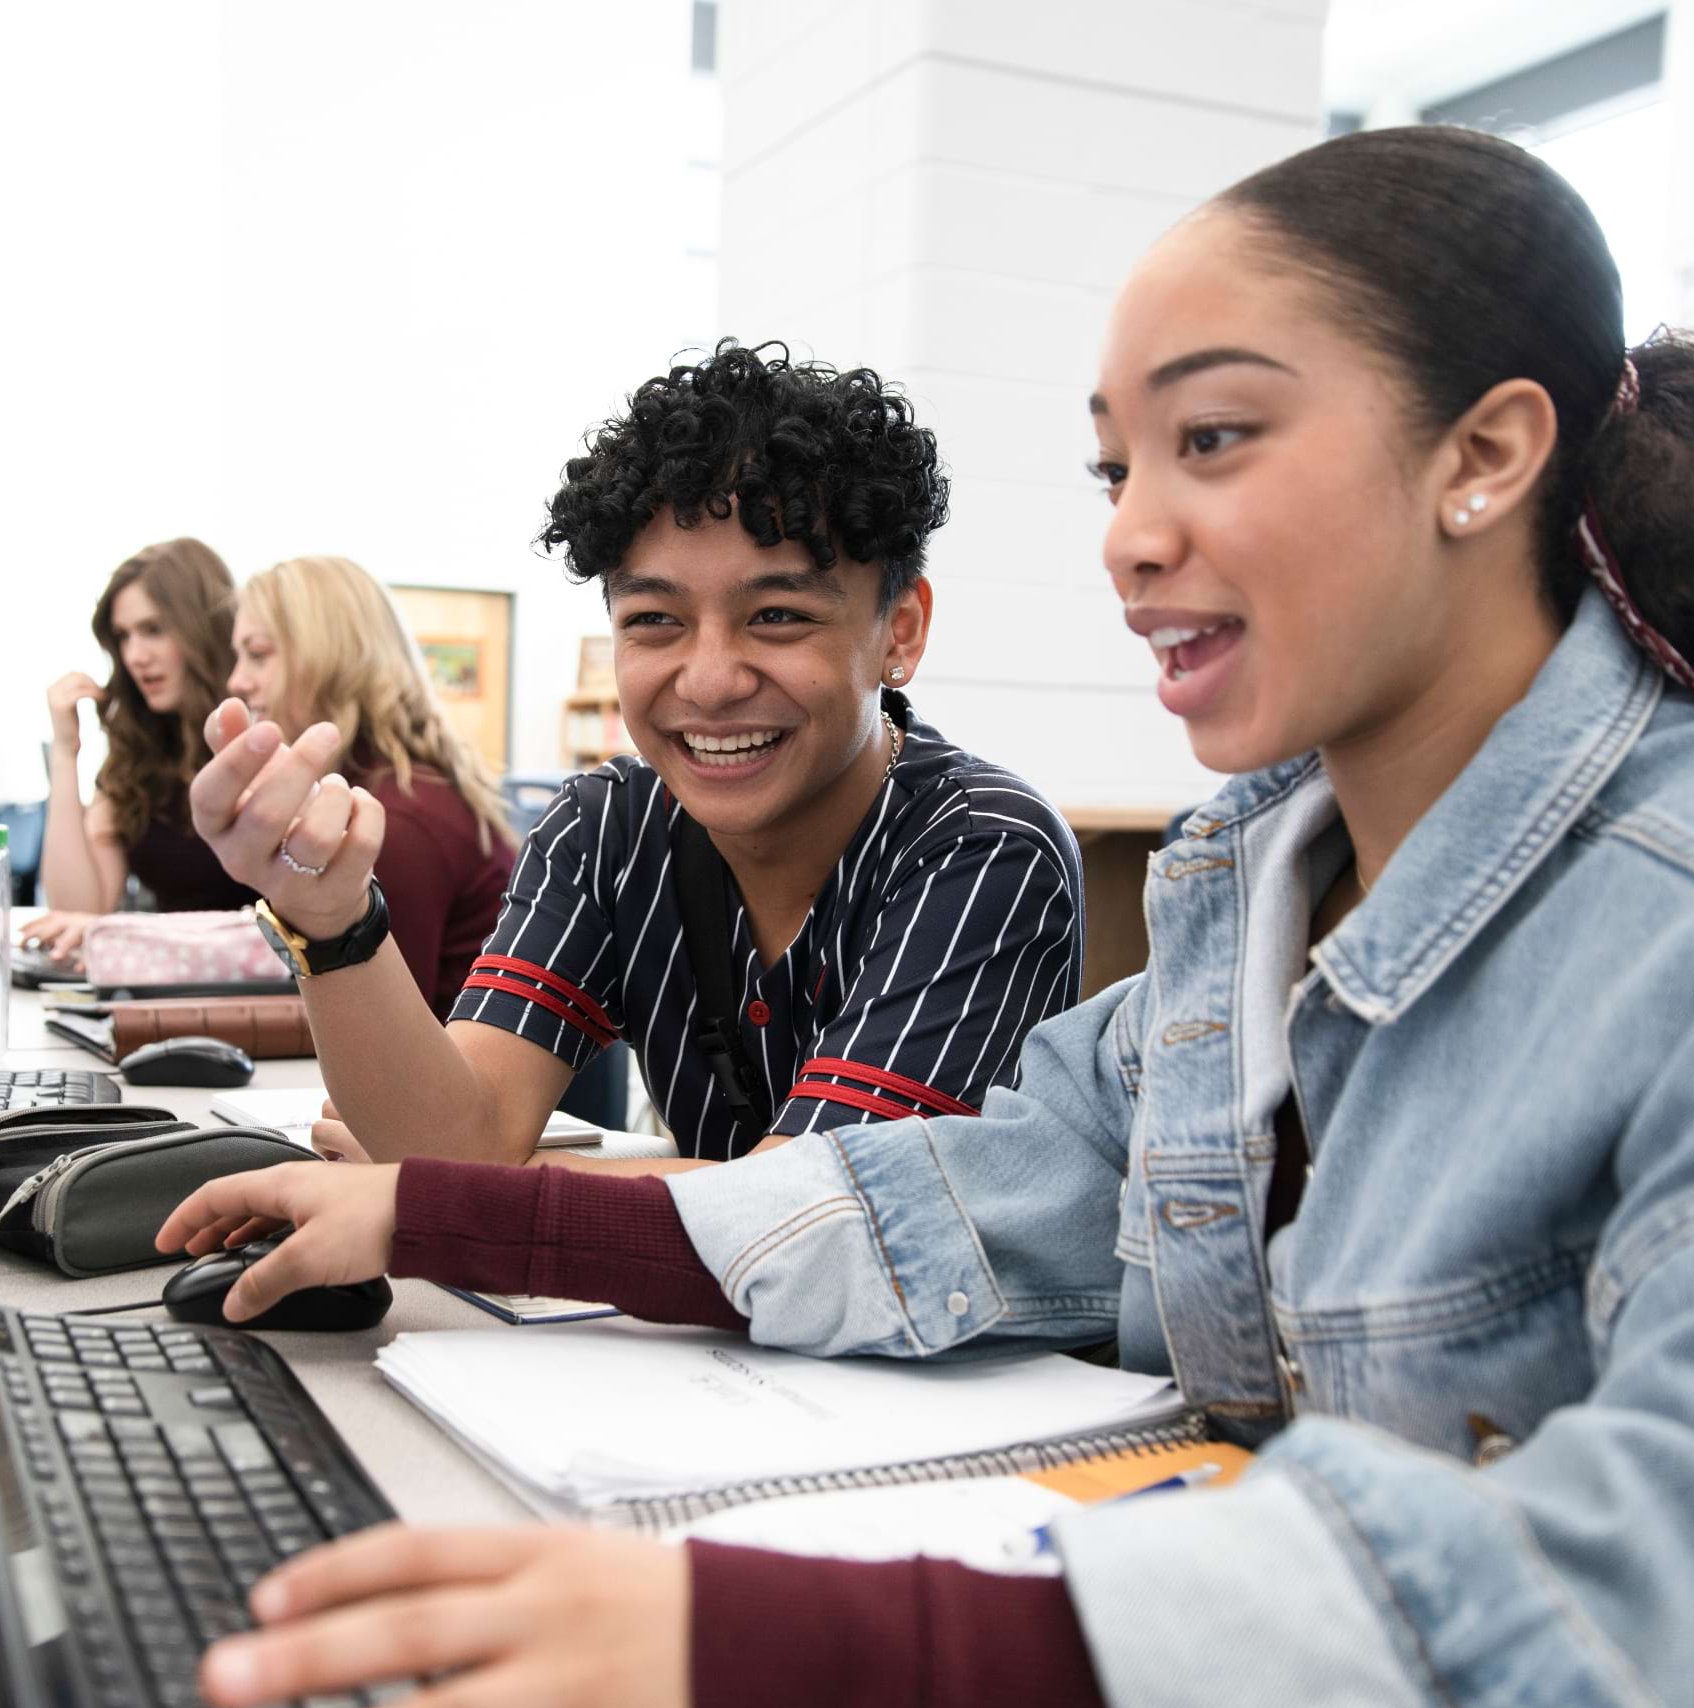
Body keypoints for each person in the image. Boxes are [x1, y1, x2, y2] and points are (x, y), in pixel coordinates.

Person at [156, 126, 1694, 1708]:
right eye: (1116, 467)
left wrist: (790, 1654)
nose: (1129, 540)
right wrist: (430, 1213)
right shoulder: (1259, 874)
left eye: (1213, 440)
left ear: (1486, 455)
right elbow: (961, 1193)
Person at [185, 342, 1085, 1172]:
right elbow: (453, 1141)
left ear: (901, 630)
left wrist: (528, 1176)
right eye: (655, 620)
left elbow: (815, 1210)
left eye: (778, 616)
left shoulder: (985, 849)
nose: (711, 679)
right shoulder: (609, 827)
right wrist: (331, 915)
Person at [224, 556, 516, 1016]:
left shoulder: (397, 823)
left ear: (330, 656)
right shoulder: (392, 787)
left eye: (258, 654)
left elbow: (375, 1040)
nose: (236, 680)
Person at [25, 537, 253, 961]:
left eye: (153, 630)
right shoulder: (139, 754)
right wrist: (65, 752)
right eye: (123, 637)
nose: (135, 656)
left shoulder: (259, 739)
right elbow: (76, 915)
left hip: (264, 1000)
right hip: (172, 993)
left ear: (203, 628)